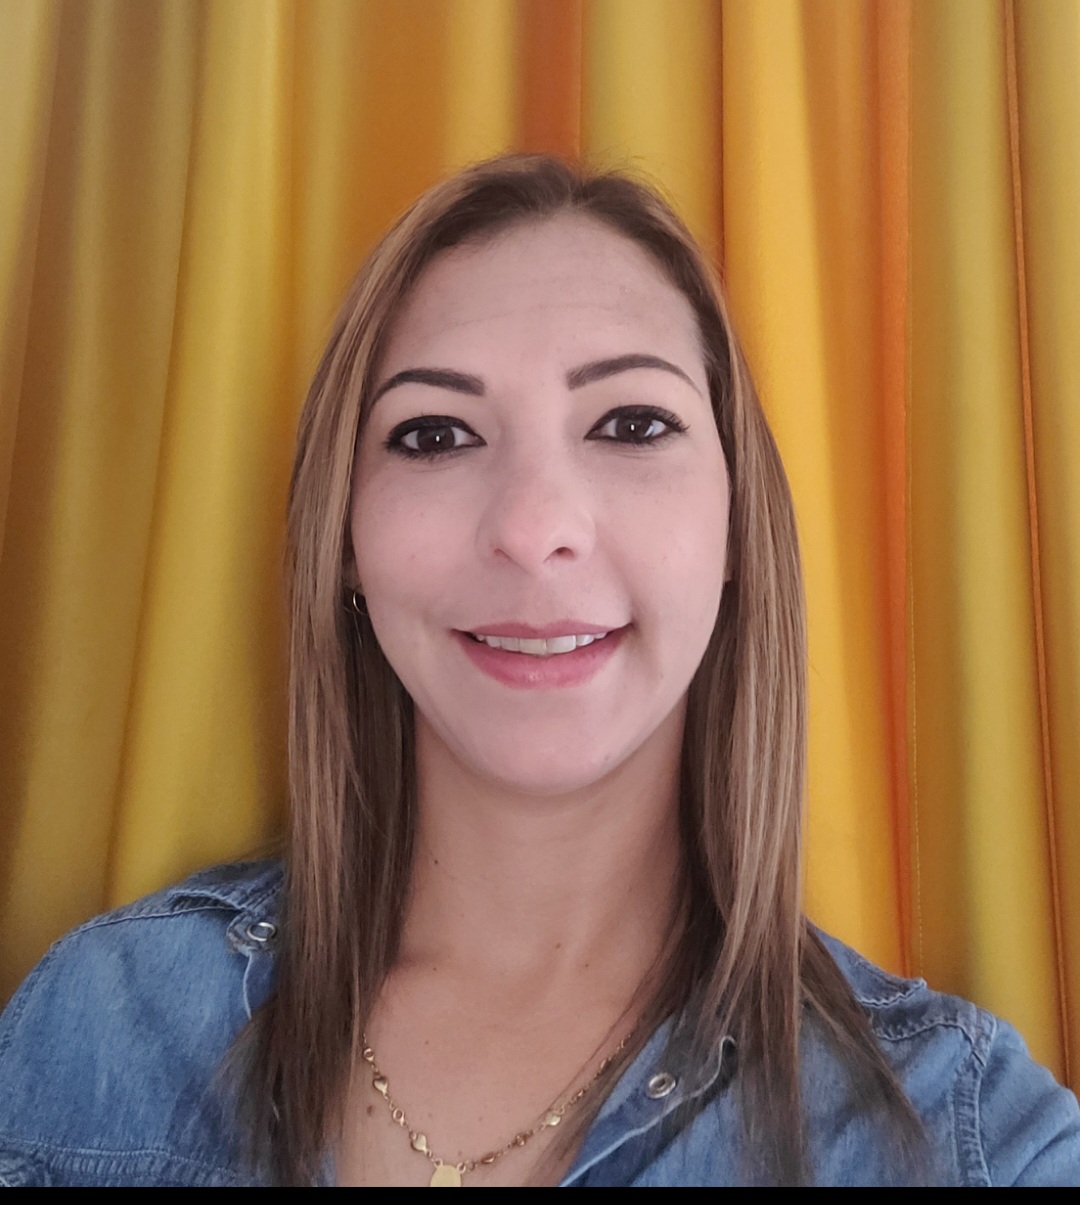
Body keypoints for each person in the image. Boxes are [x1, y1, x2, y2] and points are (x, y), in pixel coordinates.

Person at [0, 154, 1077, 1188]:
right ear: (345, 542)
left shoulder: (969, 1131)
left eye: (632, 423)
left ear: (738, 521)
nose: (533, 526)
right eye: (435, 434)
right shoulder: (100, 1026)